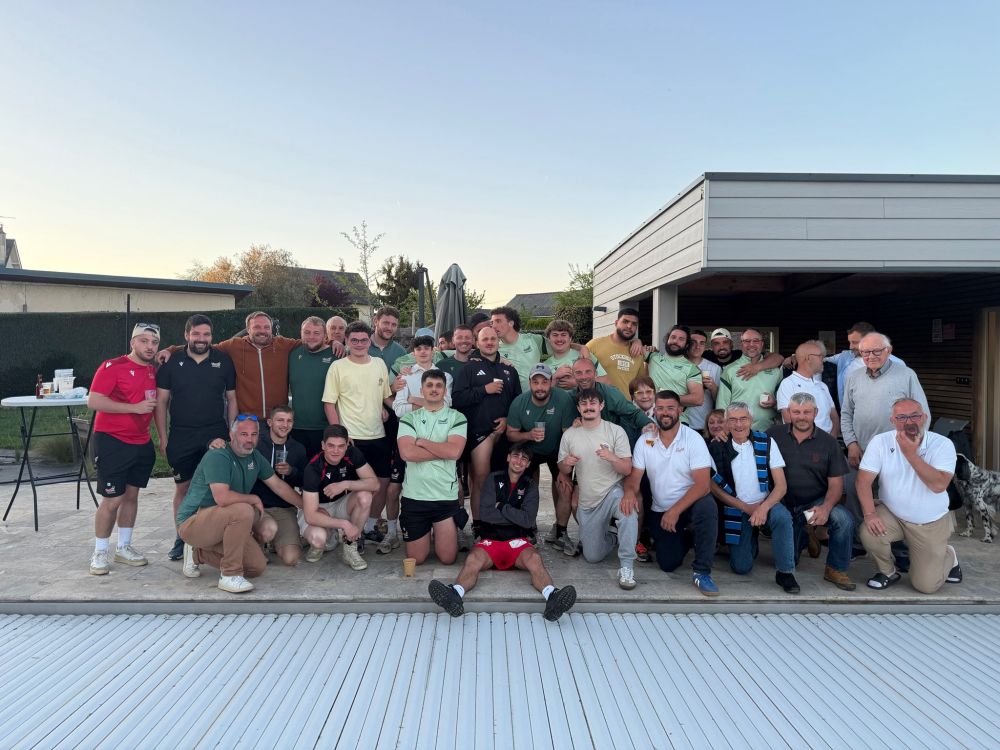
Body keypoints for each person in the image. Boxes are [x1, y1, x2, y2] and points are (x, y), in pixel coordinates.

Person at [428, 443, 577, 621]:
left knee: (535, 559)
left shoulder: (530, 485)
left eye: (524, 458)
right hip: (491, 540)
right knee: (473, 559)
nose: (519, 461)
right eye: (515, 456)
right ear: (508, 457)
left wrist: (502, 507)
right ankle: (455, 594)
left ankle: (552, 596)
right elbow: (486, 514)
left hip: (517, 542)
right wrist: (515, 514)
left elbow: (528, 520)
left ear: (528, 464)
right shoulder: (493, 479)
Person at [176, 414, 303, 593]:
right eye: (244, 434)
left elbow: (279, 486)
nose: (249, 439)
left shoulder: (255, 457)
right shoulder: (219, 455)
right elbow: (222, 498)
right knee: (244, 510)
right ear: (232, 434)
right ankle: (230, 575)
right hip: (194, 522)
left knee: (256, 567)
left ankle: (198, 553)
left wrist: (308, 508)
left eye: (254, 434)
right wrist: (253, 499)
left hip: (223, 521)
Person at [154, 314, 237, 561]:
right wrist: (163, 437)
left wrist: (232, 432)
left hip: (215, 433)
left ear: (212, 336)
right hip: (181, 435)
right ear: (186, 335)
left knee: (216, 488)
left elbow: (232, 399)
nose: (201, 339)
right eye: (196, 334)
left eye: (206, 334)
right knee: (183, 488)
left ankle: (211, 537)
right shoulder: (171, 362)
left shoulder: (223, 361)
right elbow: (161, 402)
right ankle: (182, 537)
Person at [621, 390, 719, 596]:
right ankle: (689, 535)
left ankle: (702, 572)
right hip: (661, 509)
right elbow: (634, 478)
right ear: (654, 411)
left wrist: (675, 511)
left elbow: (703, 485)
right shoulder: (645, 441)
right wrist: (629, 492)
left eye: (670, 408)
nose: (665, 413)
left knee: (707, 506)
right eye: (660, 408)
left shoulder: (693, 439)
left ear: (680, 410)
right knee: (668, 564)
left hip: (689, 504)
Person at [858, 398, 960, 593]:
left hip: (929, 522)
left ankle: (949, 555)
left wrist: (910, 453)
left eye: (914, 416)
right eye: (901, 417)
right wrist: (870, 514)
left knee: (926, 586)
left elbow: (939, 485)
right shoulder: (880, 442)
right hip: (893, 514)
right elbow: (863, 481)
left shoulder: (942, 444)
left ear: (924, 418)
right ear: (892, 420)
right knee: (868, 531)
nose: (909, 422)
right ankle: (887, 572)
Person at [87, 323, 161, 575]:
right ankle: (100, 552)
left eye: (154, 342)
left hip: (141, 442)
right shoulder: (113, 366)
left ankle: (124, 547)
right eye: (144, 341)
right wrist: (134, 408)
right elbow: (94, 400)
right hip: (113, 441)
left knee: (131, 496)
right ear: (132, 342)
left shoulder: (152, 370)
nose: (149, 346)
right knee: (112, 499)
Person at [767, 393, 856, 591]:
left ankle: (835, 569)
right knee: (791, 561)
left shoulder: (829, 443)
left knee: (843, 519)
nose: (801, 417)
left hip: (812, 507)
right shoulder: (773, 435)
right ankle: (807, 535)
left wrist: (825, 508)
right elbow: (746, 442)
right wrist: (722, 435)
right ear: (788, 413)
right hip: (782, 506)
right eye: (796, 412)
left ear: (815, 413)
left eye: (807, 412)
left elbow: (836, 485)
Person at [841, 332, 929, 530]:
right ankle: (857, 539)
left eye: (876, 351)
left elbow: (923, 414)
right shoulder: (853, 377)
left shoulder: (906, 375)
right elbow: (846, 413)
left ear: (888, 351)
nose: (871, 356)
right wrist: (851, 444)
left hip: (897, 450)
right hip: (861, 450)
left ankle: (896, 543)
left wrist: (911, 446)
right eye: (865, 352)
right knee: (855, 493)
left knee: (895, 497)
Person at [709, 402, 799, 593]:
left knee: (782, 517)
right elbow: (714, 488)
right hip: (737, 507)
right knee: (741, 567)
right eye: (733, 420)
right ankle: (751, 537)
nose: (738, 424)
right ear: (726, 423)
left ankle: (785, 573)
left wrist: (762, 508)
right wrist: (746, 508)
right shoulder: (717, 446)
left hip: (766, 503)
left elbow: (781, 486)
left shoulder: (766, 442)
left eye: (743, 419)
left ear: (751, 420)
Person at [322, 321, 395, 550]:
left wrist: (410, 406)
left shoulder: (379, 364)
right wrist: (340, 437)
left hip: (378, 435)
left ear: (369, 341)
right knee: (358, 488)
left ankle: (369, 527)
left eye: (364, 340)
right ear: (346, 341)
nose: (360, 344)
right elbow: (329, 403)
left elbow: (386, 397)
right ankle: (354, 534)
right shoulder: (338, 367)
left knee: (381, 484)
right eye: (354, 340)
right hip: (352, 438)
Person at [557, 388, 638, 590]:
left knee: (628, 510)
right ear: (578, 408)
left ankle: (627, 566)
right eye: (584, 404)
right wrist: (566, 464)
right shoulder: (570, 435)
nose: (588, 407)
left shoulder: (615, 431)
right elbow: (563, 468)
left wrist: (611, 457)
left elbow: (627, 468)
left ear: (601, 406)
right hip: (588, 501)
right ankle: (613, 534)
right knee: (592, 556)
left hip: (612, 491)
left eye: (593, 403)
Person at [158, 311, 297, 420]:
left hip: (277, 420)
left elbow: (307, 341)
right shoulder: (234, 345)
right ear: (248, 329)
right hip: (247, 420)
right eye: (257, 327)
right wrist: (171, 349)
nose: (262, 331)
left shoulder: (283, 344)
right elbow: (204, 345)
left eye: (267, 327)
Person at [452, 324, 521, 529]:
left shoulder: (510, 370)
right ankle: (479, 524)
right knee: (481, 478)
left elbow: (517, 401)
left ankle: (503, 521)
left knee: (505, 479)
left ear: (498, 341)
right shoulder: (469, 368)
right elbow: (457, 398)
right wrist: (484, 389)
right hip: (480, 432)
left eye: (493, 339)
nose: (489, 343)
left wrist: (508, 419)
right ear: (477, 343)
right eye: (485, 339)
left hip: (505, 433)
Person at [397, 370, 468, 565]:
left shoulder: (457, 417)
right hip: (415, 497)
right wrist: (443, 451)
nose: (434, 389)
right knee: (417, 559)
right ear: (422, 390)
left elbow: (455, 451)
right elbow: (407, 453)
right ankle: (427, 533)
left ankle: (440, 531)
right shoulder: (409, 418)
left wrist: (423, 442)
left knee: (448, 559)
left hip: (444, 497)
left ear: (445, 391)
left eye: (439, 386)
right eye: (429, 385)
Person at [505, 363, 577, 550]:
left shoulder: (563, 398)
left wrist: (564, 470)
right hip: (530, 449)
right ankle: (529, 525)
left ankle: (560, 531)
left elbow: (568, 434)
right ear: (529, 383)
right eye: (535, 382)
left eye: (544, 382)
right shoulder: (520, 402)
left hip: (557, 447)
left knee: (564, 486)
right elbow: (511, 434)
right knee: (528, 485)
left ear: (551, 382)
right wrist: (528, 435)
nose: (540, 387)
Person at [299, 425, 377, 570]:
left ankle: (350, 547)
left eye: (341, 446)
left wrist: (345, 484)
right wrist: (345, 524)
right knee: (319, 539)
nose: (336, 451)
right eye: (331, 446)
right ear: (323, 445)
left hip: (340, 503)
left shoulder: (352, 454)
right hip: (318, 508)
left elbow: (375, 484)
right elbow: (310, 516)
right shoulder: (313, 468)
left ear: (347, 445)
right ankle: (326, 538)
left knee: (365, 496)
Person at [253, 406, 308, 566]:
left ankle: (274, 542)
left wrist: (292, 471)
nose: (285, 425)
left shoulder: (297, 448)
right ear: (270, 422)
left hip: (284, 508)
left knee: (291, 558)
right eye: (280, 420)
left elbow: (304, 481)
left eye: (289, 421)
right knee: (267, 531)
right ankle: (257, 541)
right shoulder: (256, 444)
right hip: (257, 507)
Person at [288, 316, 337, 459]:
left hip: (325, 427)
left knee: (321, 469)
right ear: (301, 333)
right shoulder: (293, 354)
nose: (311, 337)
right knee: (298, 469)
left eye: (316, 333)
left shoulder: (337, 355)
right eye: (307, 332)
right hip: (296, 427)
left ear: (325, 335)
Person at [716, 328, 783, 431]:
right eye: (747, 341)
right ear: (741, 344)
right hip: (738, 432)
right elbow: (722, 406)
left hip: (768, 430)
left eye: (756, 341)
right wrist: (723, 430)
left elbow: (785, 404)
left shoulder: (775, 371)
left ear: (762, 344)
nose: (751, 344)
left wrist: (775, 403)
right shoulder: (730, 370)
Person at [825, 321, 906, 404]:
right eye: (850, 342)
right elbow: (820, 358)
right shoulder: (845, 357)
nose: (850, 347)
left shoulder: (896, 363)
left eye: (855, 342)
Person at [776, 340, 839, 436]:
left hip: (828, 442)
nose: (823, 359)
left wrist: (831, 440)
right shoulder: (788, 384)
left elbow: (834, 417)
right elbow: (788, 419)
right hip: (803, 443)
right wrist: (812, 442)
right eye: (820, 356)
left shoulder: (822, 386)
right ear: (808, 358)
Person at [644, 325, 704, 420]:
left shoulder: (692, 368)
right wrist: (636, 341)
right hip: (650, 419)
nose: (675, 341)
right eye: (673, 337)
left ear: (687, 345)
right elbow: (629, 348)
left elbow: (698, 399)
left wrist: (666, 398)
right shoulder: (653, 357)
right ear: (667, 339)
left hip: (678, 421)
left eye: (681, 339)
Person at [585, 307, 646, 398]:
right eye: (625, 321)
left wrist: (638, 341)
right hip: (598, 403)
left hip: (625, 404)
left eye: (634, 324)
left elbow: (639, 384)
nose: (629, 326)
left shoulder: (638, 352)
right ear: (616, 323)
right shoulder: (595, 345)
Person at [490, 306, 549, 391]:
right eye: (492, 323)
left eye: (498, 321)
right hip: (513, 397)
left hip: (538, 395)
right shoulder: (494, 349)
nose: (494, 326)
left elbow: (561, 349)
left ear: (511, 323)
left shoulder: (533, 339)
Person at [543, 318, 606, 390]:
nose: (559, 339)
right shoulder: (545, 366)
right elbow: (541, 392)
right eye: (555, 335)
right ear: (549, 339)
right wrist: (554, 377)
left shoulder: (584, 354)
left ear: (570, 338)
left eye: (563, 335)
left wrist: (577, 383)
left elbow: (606, 380)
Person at [685, 329, 722, 432]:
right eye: (693, 342)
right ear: (687, 344)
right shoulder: (678, 365)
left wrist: (713, 388)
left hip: (704, 425)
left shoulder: (715, 368)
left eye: (702, 343)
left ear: (705, 346)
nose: (698, 346)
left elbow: (720, 401)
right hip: (680, 423)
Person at [704, 328, 784, 371]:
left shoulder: (741, 355)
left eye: (725, 342)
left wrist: (756, 367)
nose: (721, 347)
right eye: (716, 343)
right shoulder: (705, 356)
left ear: (731, 344)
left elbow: (778, 358)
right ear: (712, 346)